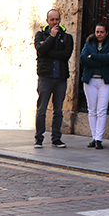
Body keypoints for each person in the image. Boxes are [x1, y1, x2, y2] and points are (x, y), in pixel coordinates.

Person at [34, 9, 74, 148]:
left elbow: (66, 55)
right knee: (42, 109)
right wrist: (51, 37)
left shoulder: (67, 37)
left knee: (58, 110)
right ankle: (39, 138)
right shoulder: (40, 35)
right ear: (47, 21)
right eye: (52, 20)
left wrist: (49, 51)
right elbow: (41, 50)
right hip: (46, 77)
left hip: (60, 78)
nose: (55, 22)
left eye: (57, 19)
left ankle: (56, 138)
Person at [79, 23, 109, 149]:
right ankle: (94, 137)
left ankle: (99, 139)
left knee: (101, 110)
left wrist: (94, 57)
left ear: (106, 33)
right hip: (90, 80)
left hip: (105, 82)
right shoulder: (89, 43)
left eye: (102, 32)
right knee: (92, 110)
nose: (99, 34)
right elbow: (83, 58)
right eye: (97, 32)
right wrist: (102, 60)